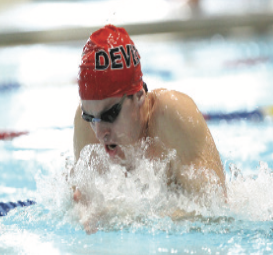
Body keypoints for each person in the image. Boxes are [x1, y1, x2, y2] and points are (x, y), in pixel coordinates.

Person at [71, 24, 225, 232]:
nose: (99, 132)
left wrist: (123, 215)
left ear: (138, 96)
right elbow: (82, 205)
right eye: (90, 116)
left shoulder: (172, 116)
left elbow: (215, 208)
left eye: (110, 115)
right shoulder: (84, 126)